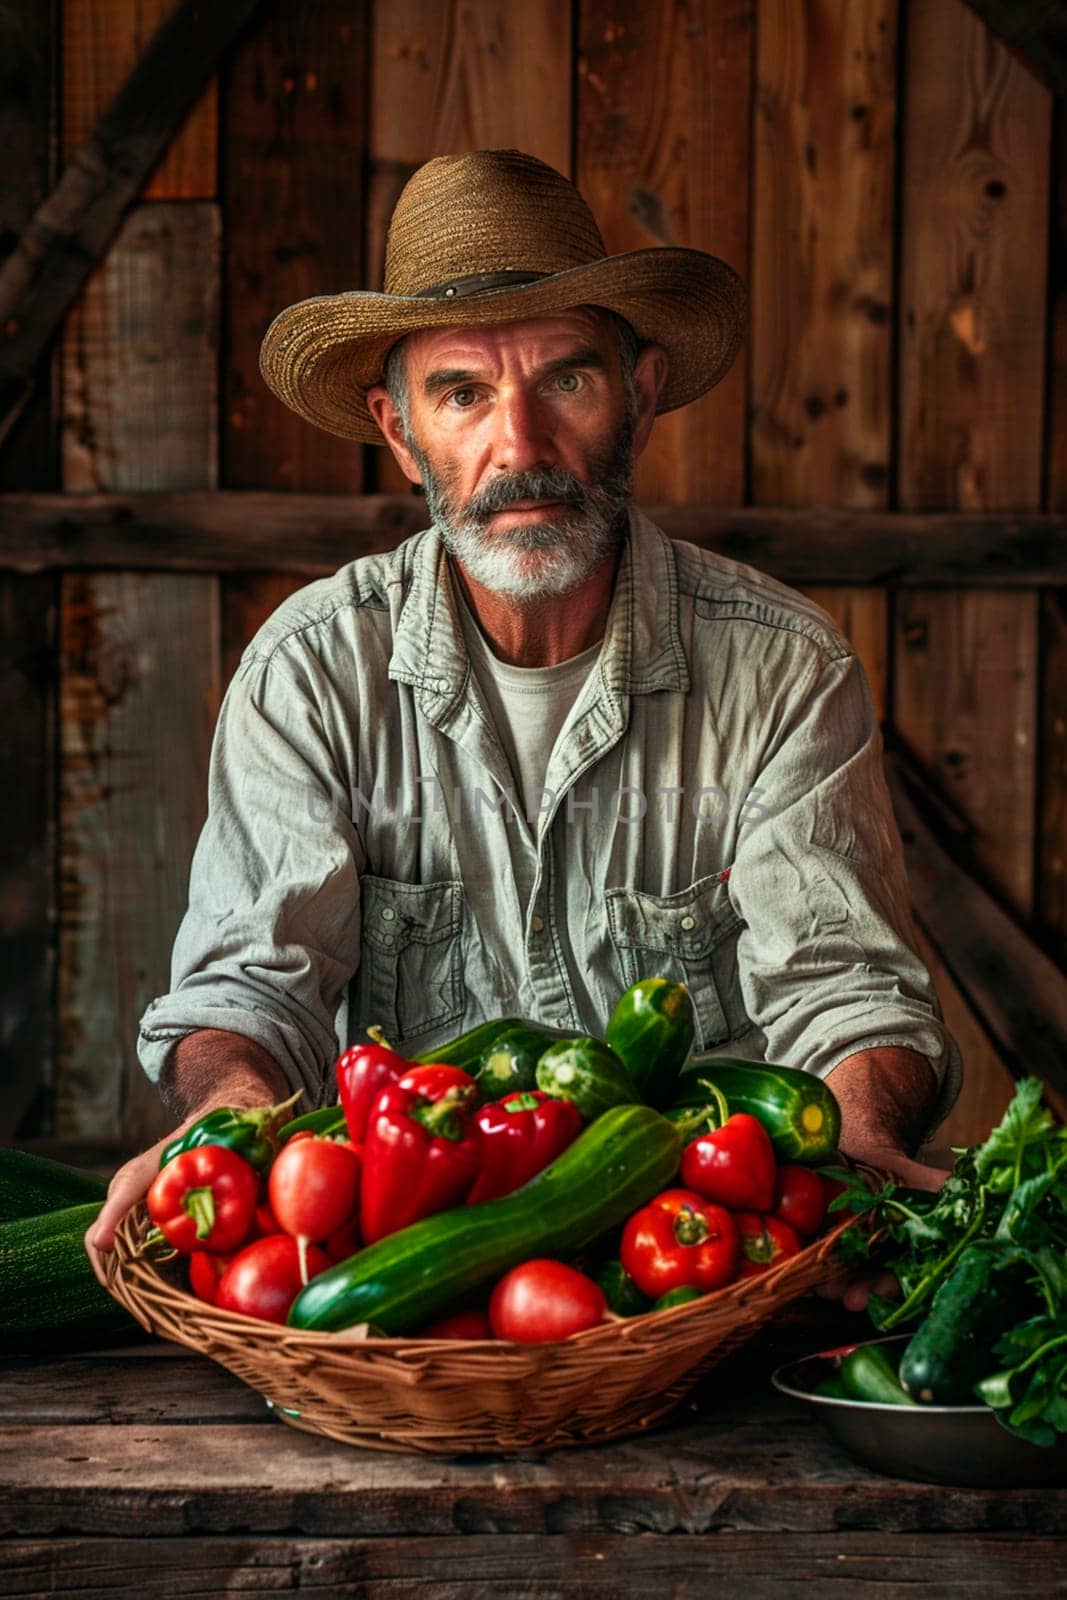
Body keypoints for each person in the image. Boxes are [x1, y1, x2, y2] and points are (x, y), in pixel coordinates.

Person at [86, 149, 960, 1299]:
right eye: (461, 393)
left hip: (704, 1279)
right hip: (414, 1276)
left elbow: (841, 985)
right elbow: (252, 983)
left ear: (638, 393)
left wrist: (852, 1145)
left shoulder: (781, 666)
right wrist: (235, 1119)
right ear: (399, 432)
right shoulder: (310, 670)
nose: (520, 445)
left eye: (565, 381)